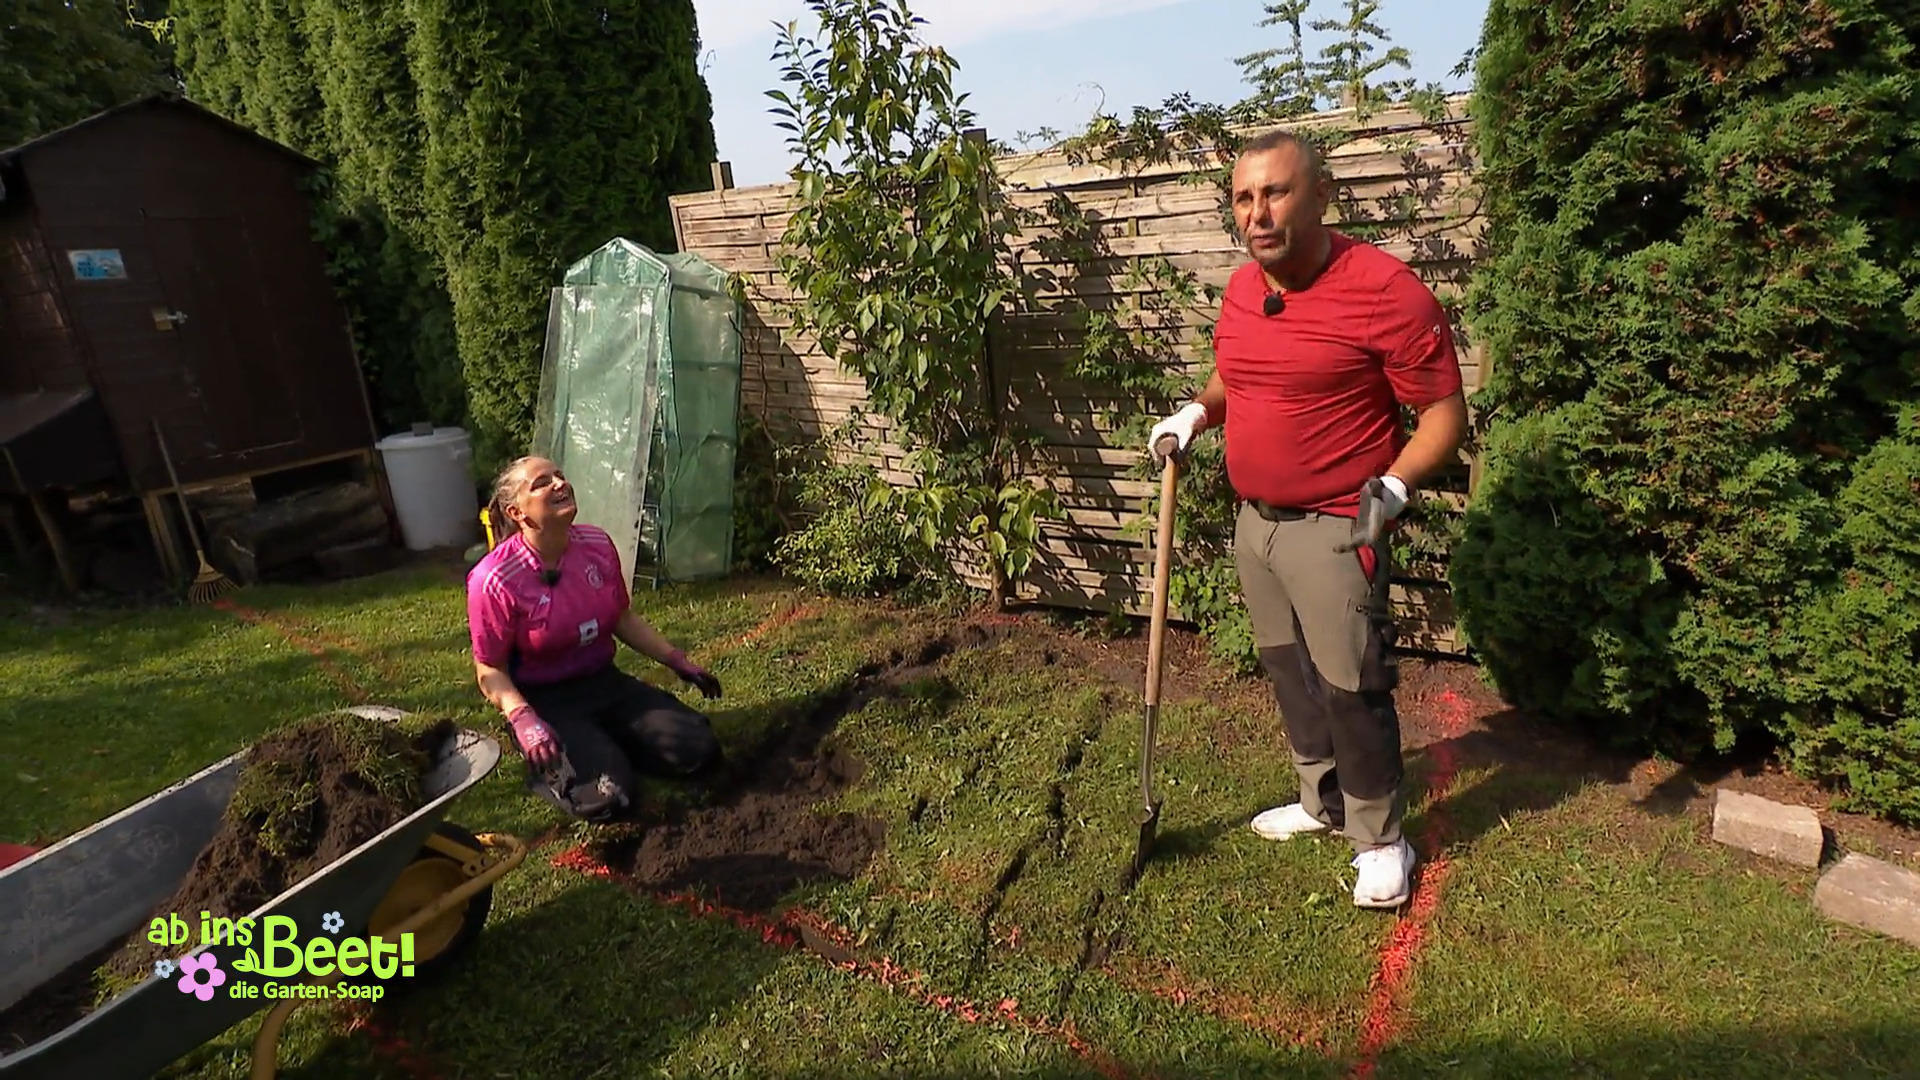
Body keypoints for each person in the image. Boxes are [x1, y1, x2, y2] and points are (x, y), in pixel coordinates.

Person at [1147, 129, 1468, 908]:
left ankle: (1381, 839)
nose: (1257, 213)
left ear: (1321, 195)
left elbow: (1443, 413)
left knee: (1352, 684)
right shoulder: (1241, 290)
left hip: (1338, 524)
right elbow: (1236, 375)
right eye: (1243, 198)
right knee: (1291, 673)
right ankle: (1321, 800)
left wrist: (1393, 488)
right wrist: (1196, 413)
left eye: (1275, 193)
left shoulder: (1385, 291)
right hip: (1256, 524)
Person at [467, 455, 724, 821]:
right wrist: (523, 719)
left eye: (559, 475)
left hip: (605, 683)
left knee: (700, 751)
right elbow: (489, 668)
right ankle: (555, 764)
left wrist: (676, 660)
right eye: (541, 483)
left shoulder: (597, 544)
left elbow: (621, 617)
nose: (559, 483)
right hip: (547, 701)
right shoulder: (494, 579)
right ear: (517, 512)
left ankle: (607, 744)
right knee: (607, 799)